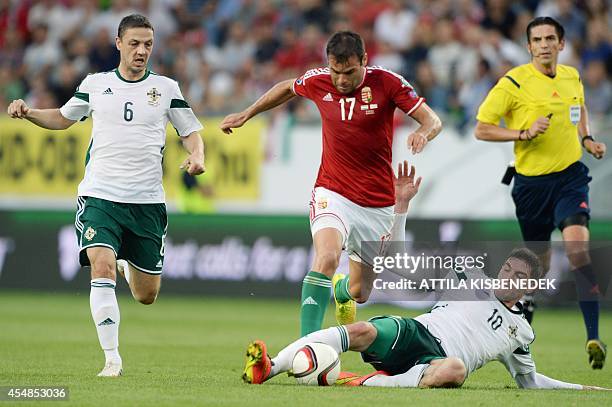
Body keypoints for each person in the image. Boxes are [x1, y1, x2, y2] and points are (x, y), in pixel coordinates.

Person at [7, 14, 205, 377]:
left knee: (146, 295)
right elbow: (64, 118)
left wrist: (197, 155)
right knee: (100, 265)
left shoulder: (166, 88)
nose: (141, 51)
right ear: (118, 43)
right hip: (100, 196)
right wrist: (30, 112)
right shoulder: (96, 84)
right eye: (134, 43)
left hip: (146, 201)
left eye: (147, 44)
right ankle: (112, 358)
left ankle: (127, 262)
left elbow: (190, 131)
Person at [220, 31, 441, 336]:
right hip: (332, 191)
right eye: (335, 71)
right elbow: (286, 88)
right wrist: (248, 113)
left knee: (361, 292)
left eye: (349, 72)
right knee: (326, 257)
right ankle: (307, 345)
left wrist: (422, 133)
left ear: (364, 61)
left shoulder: (388, 82)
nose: (340, 81)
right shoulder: (319, 80)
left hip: (377, 203)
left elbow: (433, 121)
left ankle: (341, 293)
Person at [241, 248, 609, 391]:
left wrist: (581, 389)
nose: (506, 276)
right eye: (506, 268)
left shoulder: (521, 331)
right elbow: (402, 262)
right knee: (361, 329)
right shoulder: (468, 276)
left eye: (517, 276)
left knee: (456, 371)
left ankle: (356, 382)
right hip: (419, 331)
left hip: (438, 360)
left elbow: (529, 383)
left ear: (528, 287)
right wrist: (401, 206)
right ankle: (270, 367)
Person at [474, 17, 607, 369]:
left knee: (578, 249)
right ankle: (519, 338)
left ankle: (593, 335)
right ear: (529, 46)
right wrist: (523, 133)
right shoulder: (514, 82)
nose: (545, 44)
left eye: (551, 38)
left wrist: (586, 139)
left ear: (561, 44)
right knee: (538, 267)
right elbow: (482, 129)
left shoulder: (571, 77)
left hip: (570, 178)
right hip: (531, 186)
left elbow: (579, 112)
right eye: (538, 39)